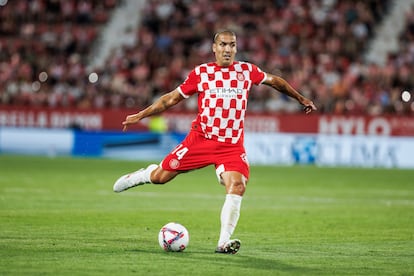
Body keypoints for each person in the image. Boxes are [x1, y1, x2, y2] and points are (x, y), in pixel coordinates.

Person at [113, 30, 317, 254]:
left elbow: (275, 81)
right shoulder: (202, 73)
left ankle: (223, 242)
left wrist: (301, 98)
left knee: (237, 185)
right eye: (223, 44)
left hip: (231, 146)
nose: (227, 49)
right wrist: (141, 115)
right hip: (200, 140)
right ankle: (141, 176)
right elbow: (171, 98)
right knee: (161, 177)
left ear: (236, 48)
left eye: (232, 45)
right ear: (214, 47)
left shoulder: (247, 71)